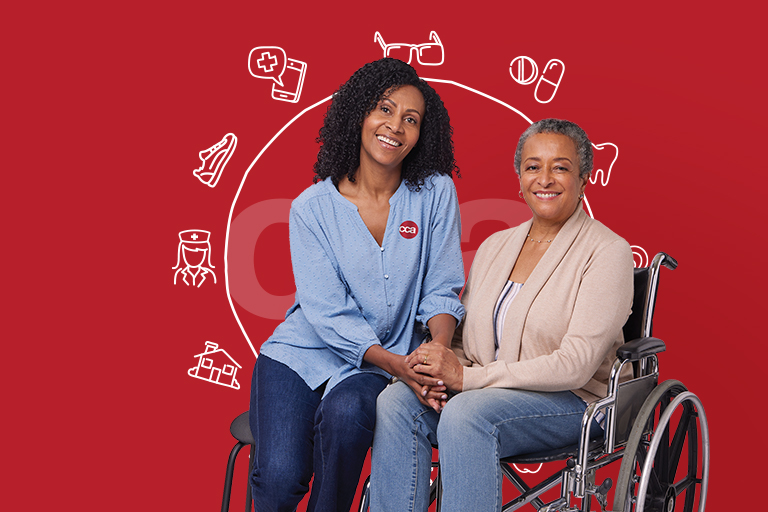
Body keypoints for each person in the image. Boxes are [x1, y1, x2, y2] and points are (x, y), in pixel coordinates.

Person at [370, 119, 634, 512]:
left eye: (560, 167)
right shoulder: (496, 245)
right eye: (532, 167)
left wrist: (468, 379)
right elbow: (465, 340)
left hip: (577, 402)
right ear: (519, 176)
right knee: (396, 401)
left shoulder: (607, 252)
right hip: (486, 389)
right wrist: (433, 368)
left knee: (465, 414)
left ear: (583, 179)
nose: (544, 179)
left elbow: (576, 366)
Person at [248, 58, 465, 512]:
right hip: (303, 355)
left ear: (422, 133)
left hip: (377, 367)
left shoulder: (436, 193)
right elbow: (326, 310)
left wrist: (436, 353)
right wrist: (398, 365)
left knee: (347, 417)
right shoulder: (311, 208)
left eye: (411, 119)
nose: (395, 127)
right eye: (384, 110)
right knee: (281, 479)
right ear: (359, 115)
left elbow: (442, 285)